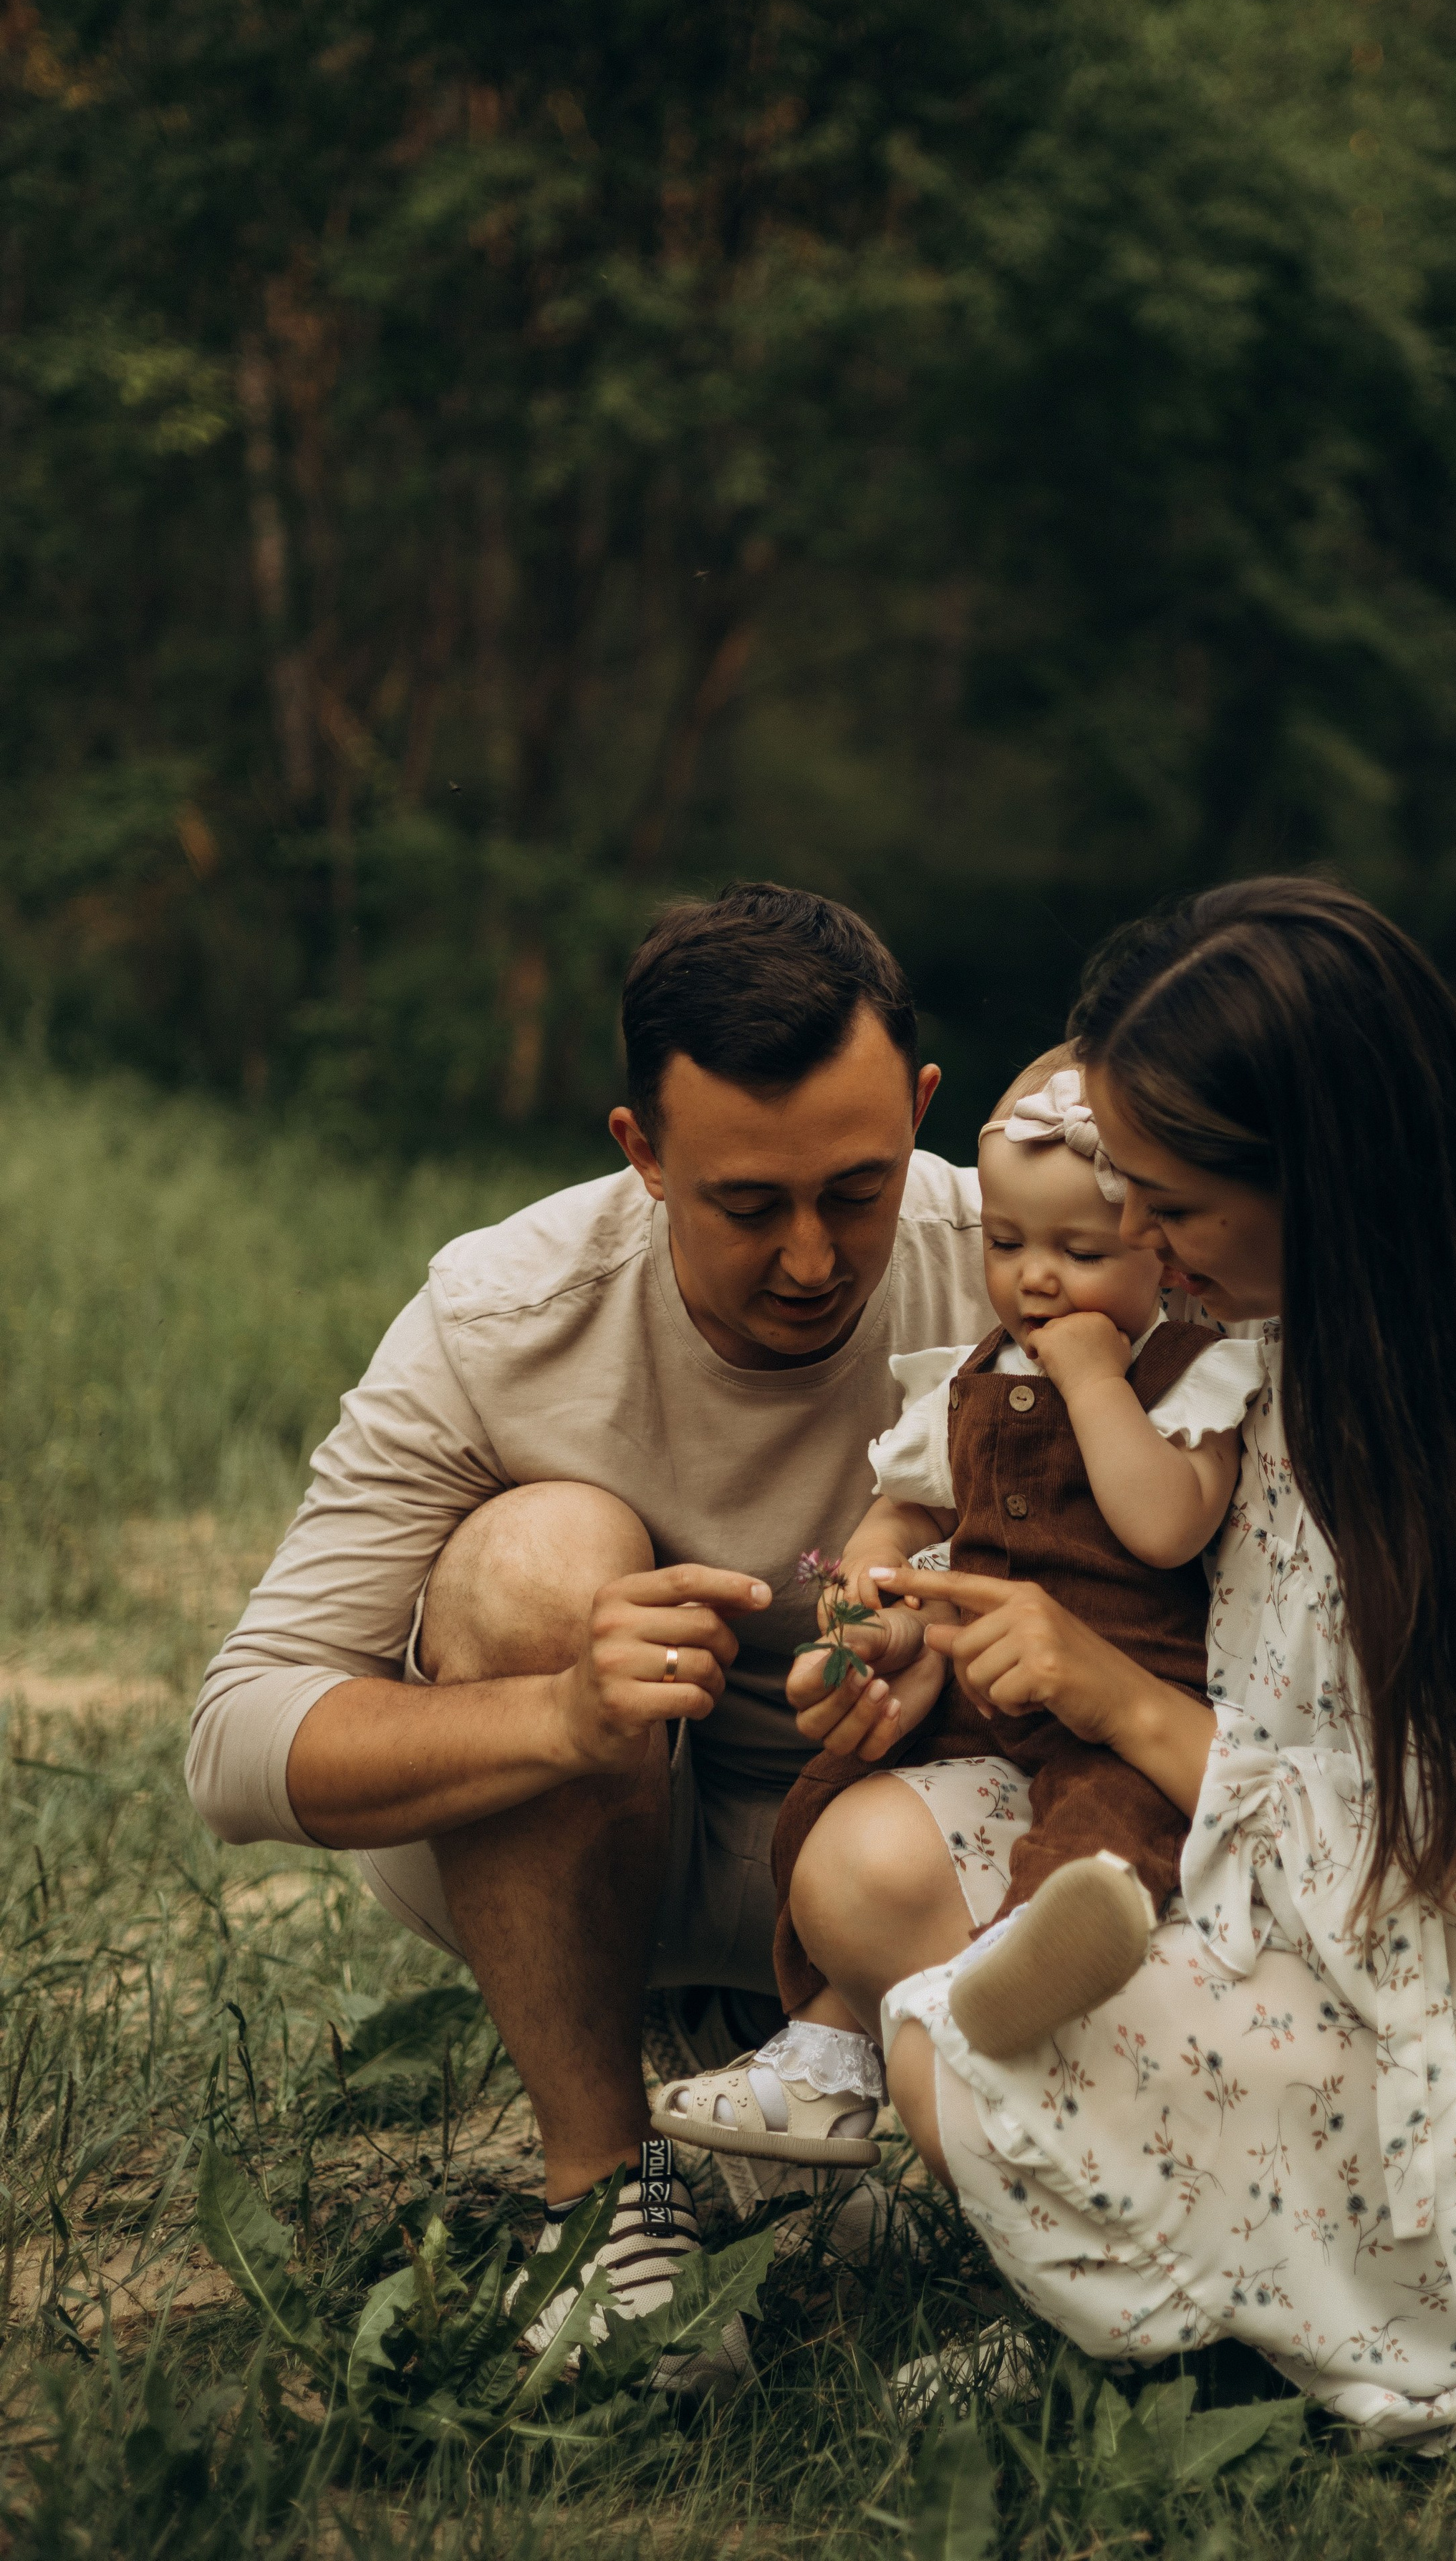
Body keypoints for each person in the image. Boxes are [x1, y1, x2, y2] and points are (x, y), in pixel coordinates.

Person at [777, 877, 1456, 2439]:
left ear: (1322, 1174)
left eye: (1167, 1207)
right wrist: (935, 1618)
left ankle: (1217, 2347)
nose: (1140, 1247)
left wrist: (1112, 1698)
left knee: (960, 2062)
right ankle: (1157, 2282)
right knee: (882, 1889)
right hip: (1270, 1884)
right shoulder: (1268, 1343)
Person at [184, 882, 988, 2384]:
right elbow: (234, 1747)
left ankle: (982, 2183)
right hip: (609, 1844)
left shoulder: (1033, 1254)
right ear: (642, 1153)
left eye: (856, 1192)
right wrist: (559, 1714)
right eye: (747, 1205)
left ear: (923, 1110)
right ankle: (608, 2210)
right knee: (538, 1559)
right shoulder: (503, 1316)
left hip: (913, 1849)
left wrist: (974, 1628)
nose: (813, 1260)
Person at [652, 1051, 1259, 2171]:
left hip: (1122, 1705)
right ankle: (827, 2054)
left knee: (1100, 1831)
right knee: (832, 1788)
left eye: (1082, 1253)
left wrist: (1094, 1382)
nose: (1037, 1282)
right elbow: (904, 1503)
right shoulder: (976, 1372)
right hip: (980, 1685)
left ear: (1163, 1253)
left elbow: (1166, 1525)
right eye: (1007, 1244)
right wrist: (870, 1578)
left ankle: (1020, 1972)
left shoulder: (1192, 1376)